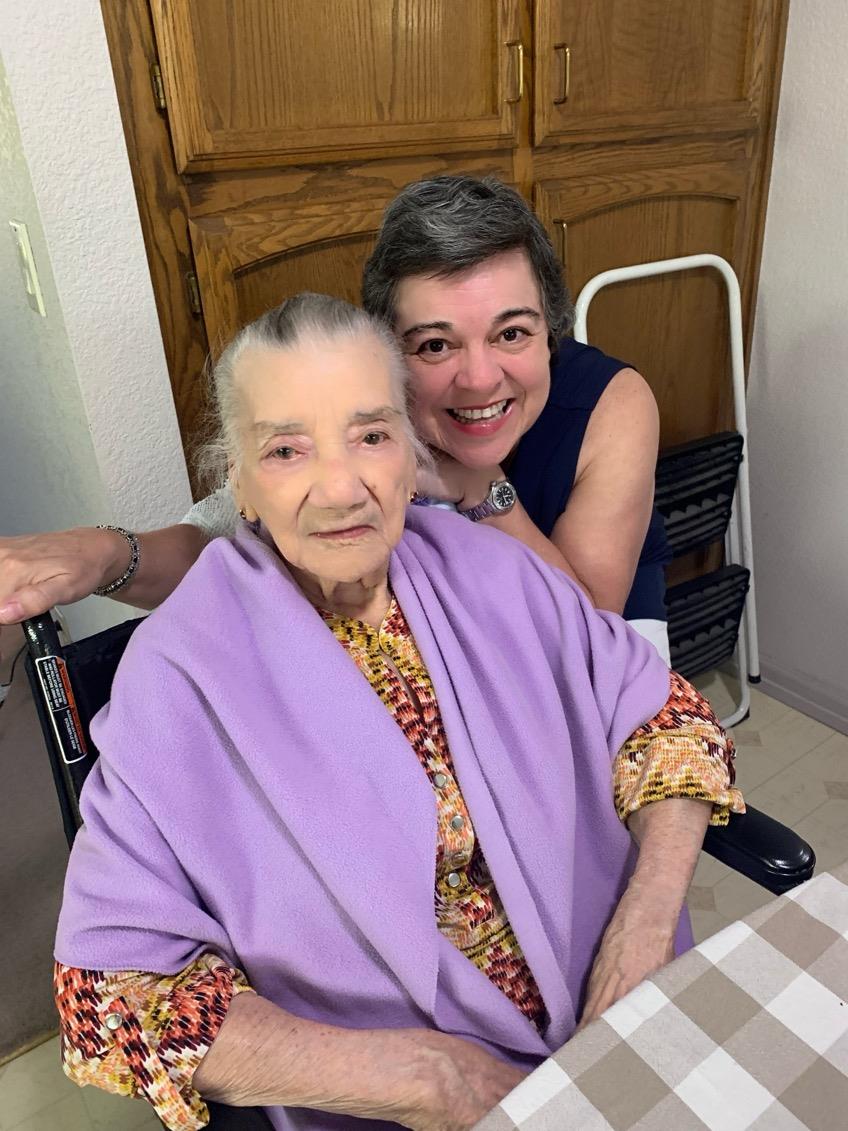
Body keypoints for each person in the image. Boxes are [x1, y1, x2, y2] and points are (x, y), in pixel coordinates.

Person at [54, 295, 742, 1131]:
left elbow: (665, 718)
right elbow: (112, 992)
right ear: (236, 479)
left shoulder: (495, 571)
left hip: (618, 1018)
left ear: (410, 453)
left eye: (371, 434)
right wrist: (424, 1076)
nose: (342, 486)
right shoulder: (178, 673)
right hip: (399, 1105)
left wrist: (645, 919)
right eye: (285, 448)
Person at [0, 176, 669, 658]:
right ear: (387, 354)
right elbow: (229, 534)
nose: (479, 376)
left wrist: (479, 487)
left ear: (552, 328)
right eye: (435, 343)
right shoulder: (372, 404)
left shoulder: (613, 405)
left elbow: (592, 640)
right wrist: (107, 553)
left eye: (512, 333)